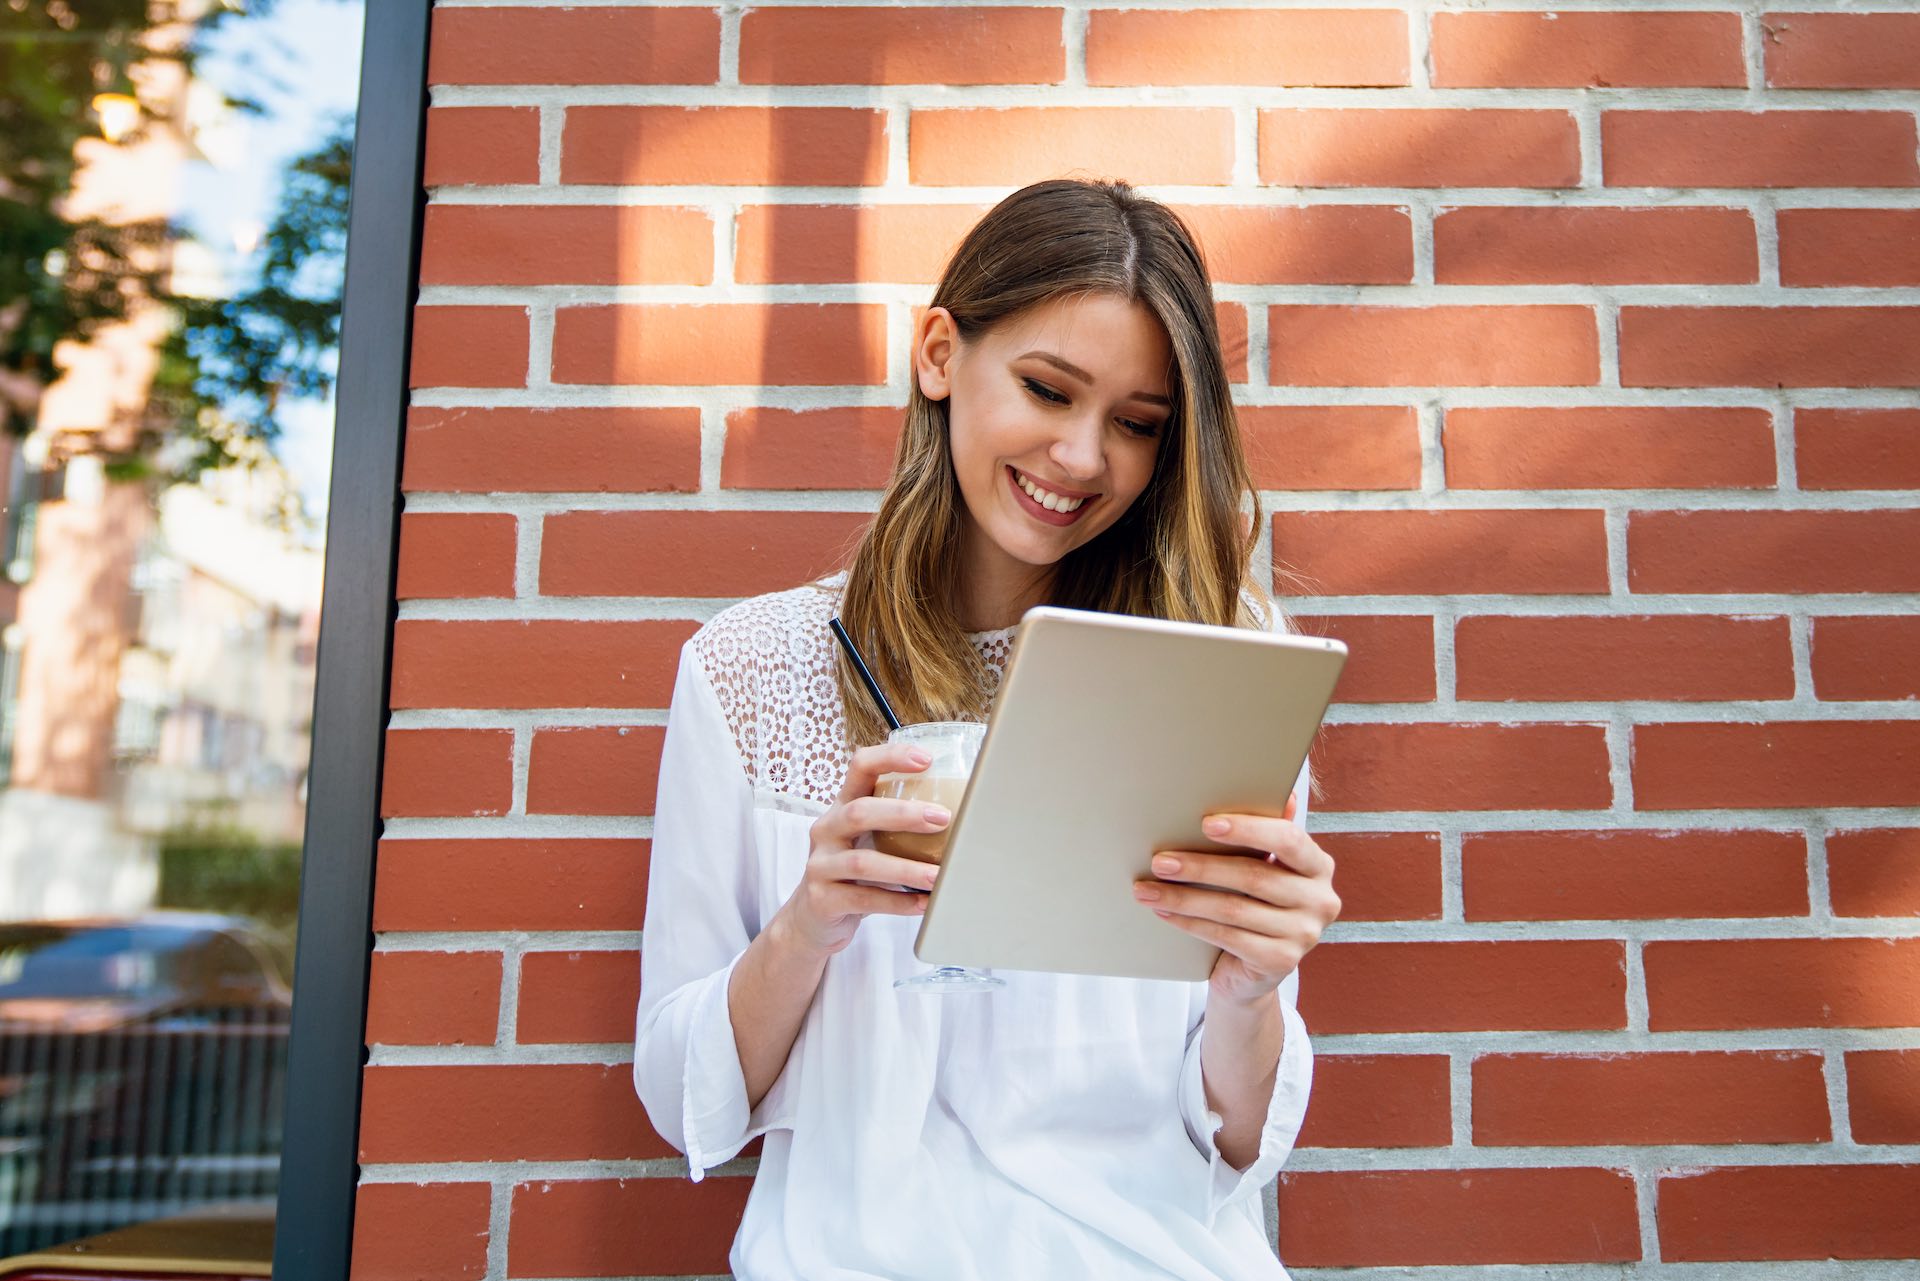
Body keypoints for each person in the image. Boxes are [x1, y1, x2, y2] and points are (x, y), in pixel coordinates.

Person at [633, 178, 1342, 1280]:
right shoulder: (753, 667)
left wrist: (1253, 986)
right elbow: (683, 1100)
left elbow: (1238, 1138)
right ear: (937, 355)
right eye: (1048, 390)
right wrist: (809, 924)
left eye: (1137, 426)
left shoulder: (1218, 665)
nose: (1081, 457)